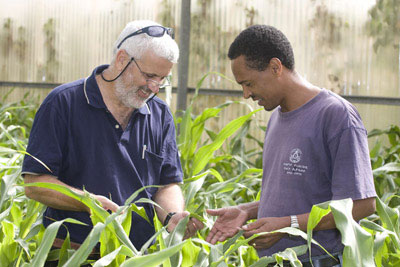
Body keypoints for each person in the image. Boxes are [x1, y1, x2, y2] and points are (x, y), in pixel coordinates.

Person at [22, 20, 203, 258]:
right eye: (149, 75)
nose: (155, 87)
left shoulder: (160, 113)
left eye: (162, 79)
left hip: (138, 258)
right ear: (121, 60)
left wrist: (172, 215)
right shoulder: (63, 103)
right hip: (74, 255)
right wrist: (88, 202)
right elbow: (35, 184)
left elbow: (167, 182)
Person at [206, 25, 376, 266]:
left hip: (319, 259)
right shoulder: (276, 117)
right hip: (275, 260)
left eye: (249, 83)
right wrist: (247, 210)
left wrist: (289, 225)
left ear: (276, 67)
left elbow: (361, 205)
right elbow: (301, 194)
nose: (245, 94)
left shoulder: (335, 115)